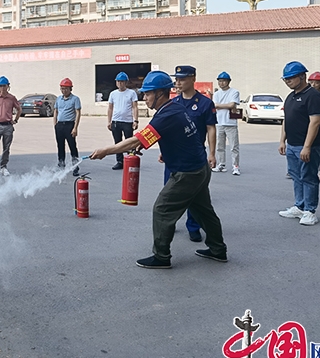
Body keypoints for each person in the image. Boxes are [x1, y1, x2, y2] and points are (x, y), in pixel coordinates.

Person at [89, 71, 228, 269]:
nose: (144, 98)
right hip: (198, 168)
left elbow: (138, 139)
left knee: (162, 209)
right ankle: (218, 249)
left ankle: (162, 257)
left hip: (187, 173)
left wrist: (107, 151)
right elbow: (178, 135)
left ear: (160, 94)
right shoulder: (175, 108)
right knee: (203, 211)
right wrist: (168, 150)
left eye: (147, 94)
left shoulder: (167, 114)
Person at [168, 65, 217, 243]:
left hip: (195, 156)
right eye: (177, 79)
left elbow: (211, 128)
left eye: (182, 78)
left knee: (195, 195)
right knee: (170, 191)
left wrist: (212, 153)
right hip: (174, 156)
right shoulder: (173, 103)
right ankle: (169, 224)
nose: (178, 82)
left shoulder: (205, 103)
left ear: (193, 78)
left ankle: (193, 227)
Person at [278, 62, 320, 226]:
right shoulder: (290, 97)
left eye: (291, 78)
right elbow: (286, 120)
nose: (288, 81)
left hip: (307, 146)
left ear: (302, 76)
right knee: (296, 176)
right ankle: (299, 206)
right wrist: (282, 140)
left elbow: (315, 122)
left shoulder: (312, 96)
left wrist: (307, 146)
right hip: (292, 144)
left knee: (309, 177)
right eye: (285, 79)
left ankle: (310, 211)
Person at [106, 72, 139, 170]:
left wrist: (135, 120)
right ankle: (120, 161)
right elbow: (110, 108)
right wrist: (109, 121)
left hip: (127, 121)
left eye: (122, 82)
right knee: (118, 142)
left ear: (126, 82)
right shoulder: (113, 94)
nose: (120, 83)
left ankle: (131, 159)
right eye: (118, 81)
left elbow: (135, 107)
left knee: (129, 142)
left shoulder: (131, 93)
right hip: (116, 121)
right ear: (116, 82)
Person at [212, 72, 241, 176]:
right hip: (219, 123)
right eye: (219, 81)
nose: (221, 83)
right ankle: (221, 164)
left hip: (231, 123)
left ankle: (235, 166)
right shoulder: (216, 94)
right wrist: (227, 105)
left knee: (234, 146)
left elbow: (232, 104)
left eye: (224, 81)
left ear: (228, 81)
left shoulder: (234, 92)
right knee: (220, 146)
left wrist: (220, 106)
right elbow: (215, 105)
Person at [53, 78, 81, 176]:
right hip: (60, 125)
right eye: (62, 88)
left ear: (70, 89)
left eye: (66, 88)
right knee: (60, 146)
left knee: (72, 146)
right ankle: (61, 164)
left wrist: (75, 128)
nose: (64, 90)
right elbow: (56, 110)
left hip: (69, 125)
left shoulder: (75, 99)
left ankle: (75, 166)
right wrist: (55, 123)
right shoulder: (58, 99)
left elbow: (78, 113)